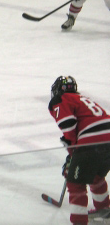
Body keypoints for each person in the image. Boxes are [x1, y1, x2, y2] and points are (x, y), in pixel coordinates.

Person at [49, 76, 110, 224]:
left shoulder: (60, 99)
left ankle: (79, 221)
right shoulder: (83, 99)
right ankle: (104, 211)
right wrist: (74, 152)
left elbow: (68, 125)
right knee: (96, 176)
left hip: (91, 142)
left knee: (76, 183)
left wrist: (73, 152)